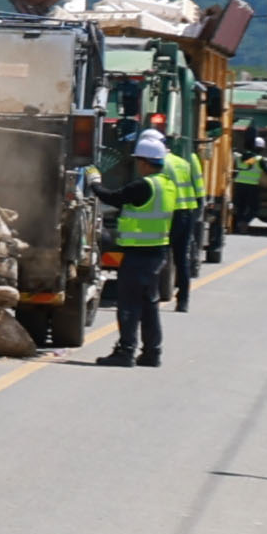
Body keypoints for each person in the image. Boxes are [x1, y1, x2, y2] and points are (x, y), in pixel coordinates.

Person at [96, 133, 175, 367]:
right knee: (149, 305)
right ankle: (152, 353)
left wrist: (94, 182)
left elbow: (112, 197)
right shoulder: (167, 185)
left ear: (144, 162)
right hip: (157, 252)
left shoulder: (144, 185)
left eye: (138, 161)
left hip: (138, 253)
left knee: (129, 304)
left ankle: (126, 351)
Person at [159, 135, 202, 311]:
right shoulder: (183, 162)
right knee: (181, 259)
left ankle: (150, 296)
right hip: (186, 212)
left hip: (167, 214)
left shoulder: (159, 163)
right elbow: (199, 189)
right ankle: (183, 301)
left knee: (159, 255)